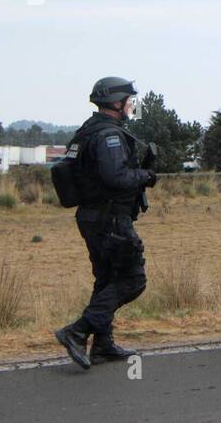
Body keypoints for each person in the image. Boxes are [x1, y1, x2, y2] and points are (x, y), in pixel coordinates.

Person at [54, 78, 156, 369]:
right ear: (116, 102)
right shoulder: (109, 136)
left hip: (92, 216)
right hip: (110, 218)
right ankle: (77, 331)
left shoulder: (87, 131)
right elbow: (116, 178)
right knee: (132, 280)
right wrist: (146, 176)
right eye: (129, 100)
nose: (132, 105)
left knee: (107, 279)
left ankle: (102, 344)